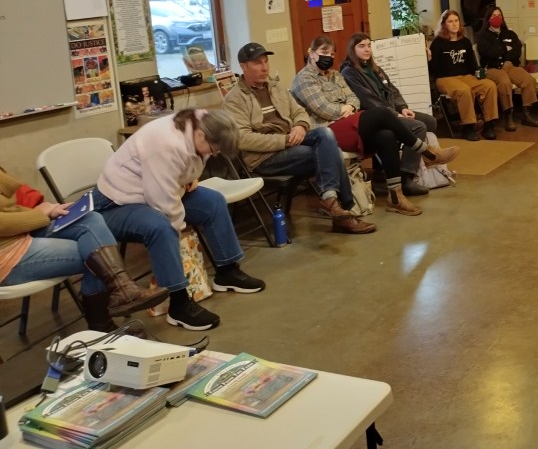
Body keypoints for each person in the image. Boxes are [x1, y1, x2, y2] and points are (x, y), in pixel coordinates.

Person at [92, 108, 264, 332]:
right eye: (214, 149)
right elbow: (161, 200)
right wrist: (179, 231)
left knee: (213, 202)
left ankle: (227, 272)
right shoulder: (165, 144)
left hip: (152, 192)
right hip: (116, 203)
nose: (214, 154)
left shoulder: (203, 122)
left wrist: (190, 178)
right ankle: (179, 303)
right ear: (202, 135)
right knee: (161, 227)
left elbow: (185, 169)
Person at [292, 36, 457, 216]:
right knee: (383, 113)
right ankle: (427, 152)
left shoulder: (335, 75)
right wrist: (345, 108)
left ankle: (395, 197)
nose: (329, 57)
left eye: (331, 54)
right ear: (311, 53)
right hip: (327, 133)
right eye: (324, 53)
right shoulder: (304, 78)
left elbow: (353, 98)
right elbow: (324, 110)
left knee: (387, 135)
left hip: (349, 122)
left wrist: (350, 106)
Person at [223, 42, 375, 236]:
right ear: (243, 67)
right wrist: (285, 140)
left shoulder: (275, 87)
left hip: (291, 144)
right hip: (264, 158)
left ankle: (336, 206)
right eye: (257, 63)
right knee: (330, 152)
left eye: (266, 61)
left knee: (325, 134)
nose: (264, 67)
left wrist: (300, 126)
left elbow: (300, 112)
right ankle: (343, 209)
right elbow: (243, 139)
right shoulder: (234, 99)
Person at [1, 166, 167, 332]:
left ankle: (122, 289)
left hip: (20, 232)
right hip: (7, 253)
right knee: (95, 256)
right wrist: (39, 215)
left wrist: (46, 208)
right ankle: (103, 328)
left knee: (90, 219)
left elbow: (8, 207)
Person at [341, 33, 458, 197]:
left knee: (430, 121)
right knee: (418, 127)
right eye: (362, 46)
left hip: (392, 111)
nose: (367, 49)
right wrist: (394, 115)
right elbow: (368, 100)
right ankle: (406, 178)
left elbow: (392, 90)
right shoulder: (349, 72)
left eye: (369, 45)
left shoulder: (374, 68)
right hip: (375, 117)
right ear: (352, 49)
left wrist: (402, 108)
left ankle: (422, 159)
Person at [429, 10, 500, 141]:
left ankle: (489, 124)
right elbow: (433, 68)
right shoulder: (438, 43)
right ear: (444, 24)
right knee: (464, 90)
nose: (454, 24)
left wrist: (480, 75)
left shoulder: (465, 42)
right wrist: (428, 57)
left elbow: (472, 65)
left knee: (489, 85)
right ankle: (468, 127)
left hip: (466, 76)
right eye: (450, 21)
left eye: (456, 21)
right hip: (445, 78)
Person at [475, 5, 538, 131]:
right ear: (488, 18)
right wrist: (505, 49)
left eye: (499, 15)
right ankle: (508, 115)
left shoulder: (510, 34)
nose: (497, 18)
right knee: (504, 82)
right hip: (492, 68)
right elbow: (487, 52)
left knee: (528, 80)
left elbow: (517, 51)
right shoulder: (483, 36)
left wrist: (505, 56)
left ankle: (526, 114)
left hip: (510, 66)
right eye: (494, 15)